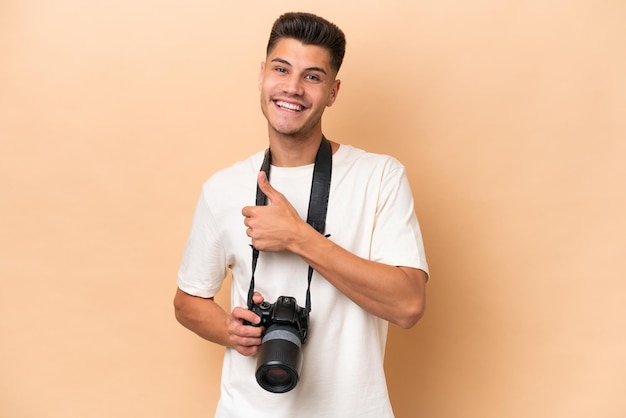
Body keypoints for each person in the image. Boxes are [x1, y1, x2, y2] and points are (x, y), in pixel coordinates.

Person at [174, 11, 429, 418]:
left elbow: (408, 305)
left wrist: (299, 237)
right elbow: (187, 301)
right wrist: (229, 329)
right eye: (281, 69)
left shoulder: (380, 176)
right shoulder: (222, 186)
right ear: (262, 76)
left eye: (312, 76)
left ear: (332, 91)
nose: (292, 88)